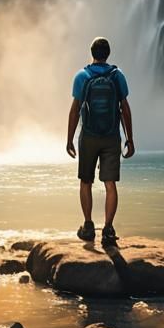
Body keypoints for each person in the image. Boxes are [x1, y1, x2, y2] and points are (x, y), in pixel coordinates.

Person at [66, 36, 135, 247]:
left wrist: (69, 139)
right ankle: (108, 229)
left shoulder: (82, 76)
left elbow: (75, 109)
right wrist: (130, 139)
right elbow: (124, 108)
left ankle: (88, 226)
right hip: (112, 136)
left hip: (88, 136)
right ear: (108, 53)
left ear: (92, 53)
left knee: (85, 182)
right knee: (110, 184)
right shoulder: (117, 76)